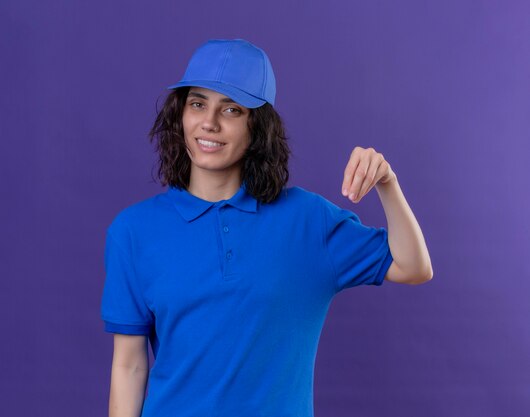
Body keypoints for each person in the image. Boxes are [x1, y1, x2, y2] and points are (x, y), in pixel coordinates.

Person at [101, 38, 433, 417]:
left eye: (231, 109)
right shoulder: (133, 231)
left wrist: (388, 183)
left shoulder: (308, 221)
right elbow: (129, 365)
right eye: (197, 104)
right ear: (180, 114)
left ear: (257, 127)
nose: (209, 122)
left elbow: (414, 266)